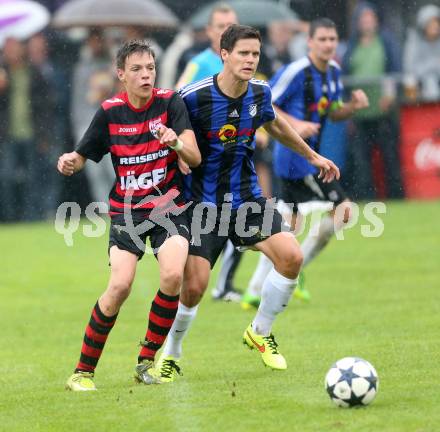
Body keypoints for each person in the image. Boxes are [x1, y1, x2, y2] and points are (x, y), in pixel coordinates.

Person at [155, 24, 340, 381]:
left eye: (255, 53)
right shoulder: (192, 97)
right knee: (193, 288)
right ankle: (172, 352)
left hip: (246, 200)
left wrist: (313, 156)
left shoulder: (259, 92)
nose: (250, 60)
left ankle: (260, 330)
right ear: (224, 54)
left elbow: (276, 124)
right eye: (243, 53)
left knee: (292, 257)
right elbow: (168, 131)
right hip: (201, 206)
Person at [59, 40, 201, 391]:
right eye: (136, 69)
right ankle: (83, 371)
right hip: (127, 211)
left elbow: (194, 157)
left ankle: (146, 361)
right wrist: (70, 162)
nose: (145, 75)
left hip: (170, 207)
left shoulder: (170, 103)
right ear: (120, 75)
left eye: (150, 67)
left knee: (172, 275)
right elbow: (82, 155)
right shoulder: (109, 112)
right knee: (120, 285)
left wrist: (176, 143)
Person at [241, 18, 369, 309]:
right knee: (343, 211)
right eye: (321, 39)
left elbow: (332, 111)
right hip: (294, 158)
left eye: (332, 39)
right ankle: (291, 273)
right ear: (309, 42)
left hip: (311, 157)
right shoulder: (297, 71)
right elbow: (266, 102)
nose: (327, 45)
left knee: (287, 227)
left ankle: (255, 288)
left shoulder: (334, 72)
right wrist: (296, 123)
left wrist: (351, 107)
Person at [342, 2, 403, 200]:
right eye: (363, 18)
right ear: (357, 22)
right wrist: (348, 107)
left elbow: (394, 70)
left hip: (383, 111)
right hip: (360, 114)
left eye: (370, 18)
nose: (367, 22)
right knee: (361, 162)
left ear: (376, 20)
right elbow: (345, 78)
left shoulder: (385, 41)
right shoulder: (352, 46)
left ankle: (396, 197)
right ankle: (367, 199)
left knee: (391, 159)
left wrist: (390, 96)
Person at [403, 4, 440, 102]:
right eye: (431, 22)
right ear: (423, 24)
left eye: (437, 22)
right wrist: (433, 65)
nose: (435, 26)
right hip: (419, 96)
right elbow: (410, 70)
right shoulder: (413, 42)